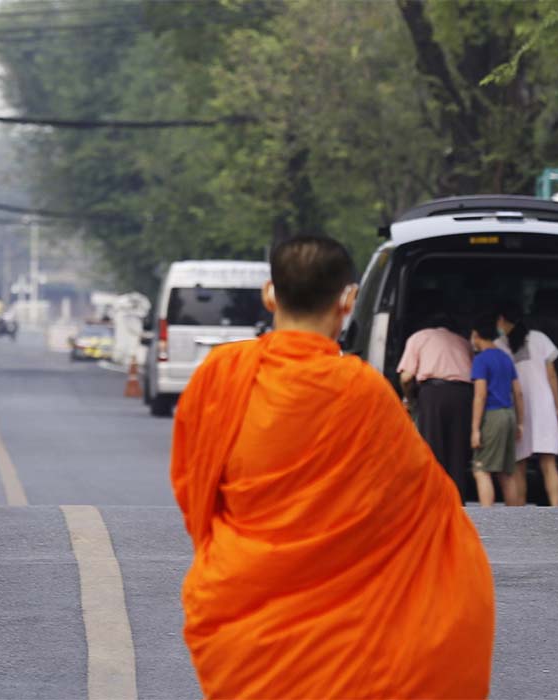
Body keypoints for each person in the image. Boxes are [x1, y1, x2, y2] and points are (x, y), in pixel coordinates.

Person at [171, 235, 494, 699]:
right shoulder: (363, 392)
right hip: (346, 626)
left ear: (269, 294)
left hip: (242, 609)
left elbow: (191, 484)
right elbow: (425, 505)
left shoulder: (220, 375)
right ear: (348, 300)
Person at [397, 296, 474, 501]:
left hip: (433, 393)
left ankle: (434, 499)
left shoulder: (418, 337)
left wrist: (410, 398)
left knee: (433, 446)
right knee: (458, 449)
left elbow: (405, 377)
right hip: (463, 394)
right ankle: (457, 501)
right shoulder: (463, 341)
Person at [496, 300, 558, 506]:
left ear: (501, 320)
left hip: (518, 408)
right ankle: (556, 506)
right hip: (544, 405)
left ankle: (521, 509)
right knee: (548, 463)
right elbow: (551, 374)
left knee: (519, 464)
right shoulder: (539, 338)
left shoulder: (500, 346)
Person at [469, 312, 525, 507]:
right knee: (506, 472)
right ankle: (512, 518)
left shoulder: (481, 360)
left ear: (476, 335)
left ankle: (488, 519)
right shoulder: (505, 357)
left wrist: (475, 429)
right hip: (509, 415)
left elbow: (480, 395)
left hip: (492, 415)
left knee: (481, 470)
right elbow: (518, 392)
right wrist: (520, 422)